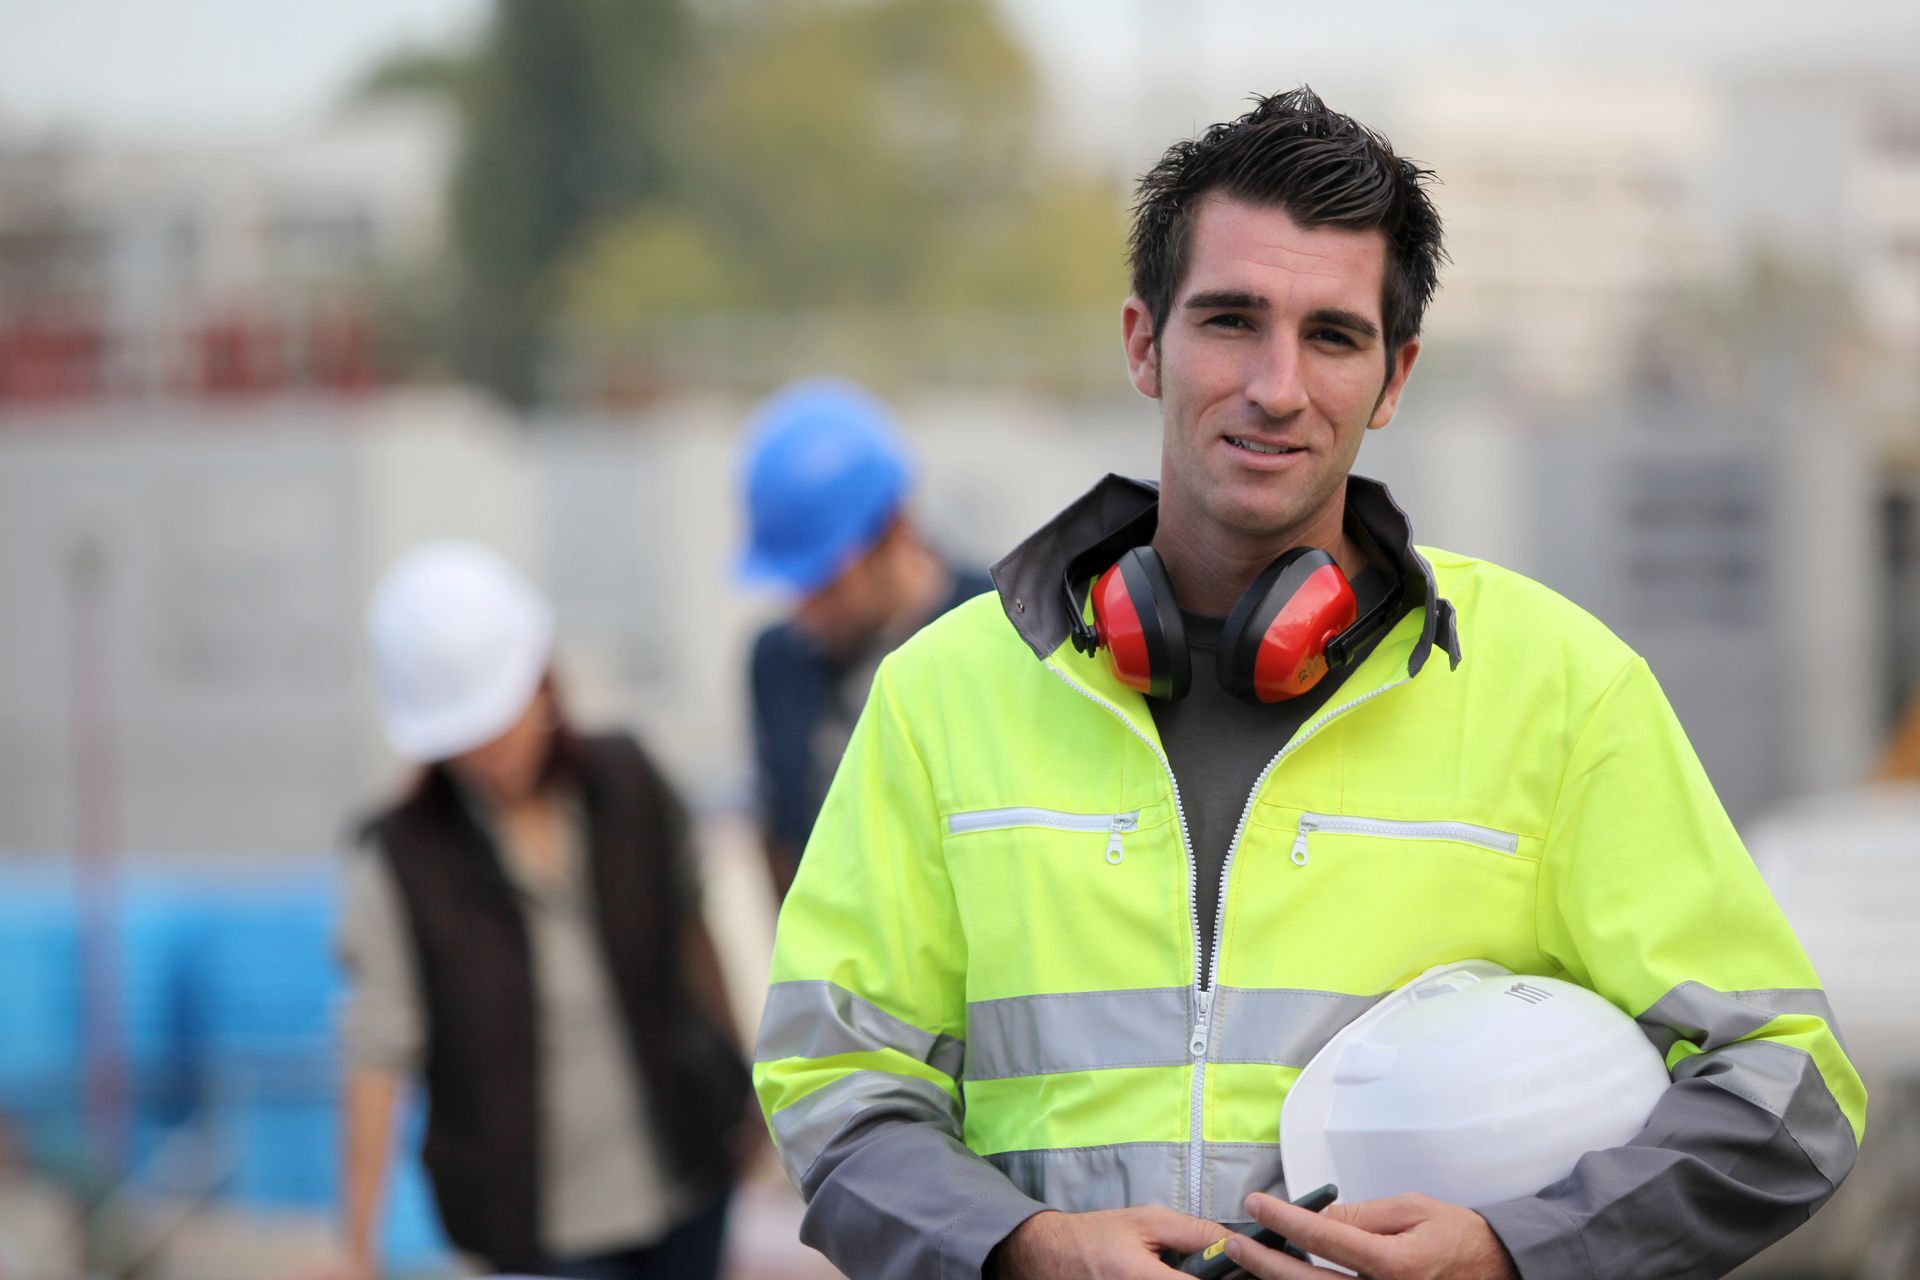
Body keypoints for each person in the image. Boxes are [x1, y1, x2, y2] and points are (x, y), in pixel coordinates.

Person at [753, 89, 1865, 1280]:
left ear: (1394, 378)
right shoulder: (943, 695)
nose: (1278, 386)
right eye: (1232, 320)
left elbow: (1790, 1086)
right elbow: (834, 1082)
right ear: (1143, 341)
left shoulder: (1561, 688)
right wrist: (1024, 1248)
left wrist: (1511, 1250)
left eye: (1333, 335)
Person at [329, 541, 750, 1279]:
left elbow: (694, 929)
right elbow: (375, 1054)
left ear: (544, 681)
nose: (494, 750)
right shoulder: (402, 861)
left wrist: (749, 1090)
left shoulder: (629, 781)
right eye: (470, 736)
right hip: (538, 1227)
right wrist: (356, 1249)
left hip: (683, 1173)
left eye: (504, 718)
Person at [736, 377, 991, 902]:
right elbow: (782, 846)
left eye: (826, 581)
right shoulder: (778, 664)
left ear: (895, 531)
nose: (806, 611)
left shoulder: (999, 636)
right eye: (795, 583)